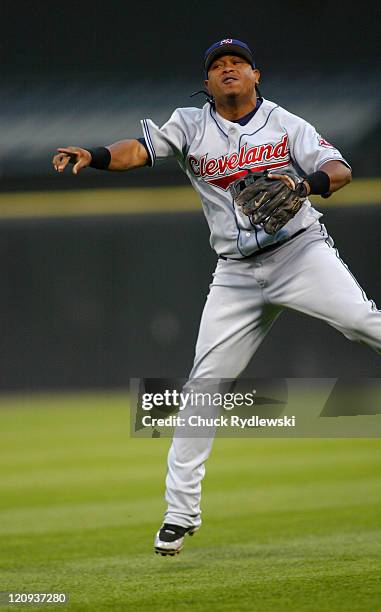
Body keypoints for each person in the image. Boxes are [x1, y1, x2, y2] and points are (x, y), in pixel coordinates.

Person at [53, 38, 381, 557]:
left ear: (256, 75)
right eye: (217, 66)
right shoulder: (188, 124)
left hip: (300, 252)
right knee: (203, 386)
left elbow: (339, 169)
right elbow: (137, 151)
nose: (227, 69)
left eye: (237, 63)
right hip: (236, 274)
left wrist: (303, 183)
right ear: (206, 83)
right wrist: (92, 156)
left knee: (366, 324)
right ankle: (179, 515)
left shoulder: (283, 122)